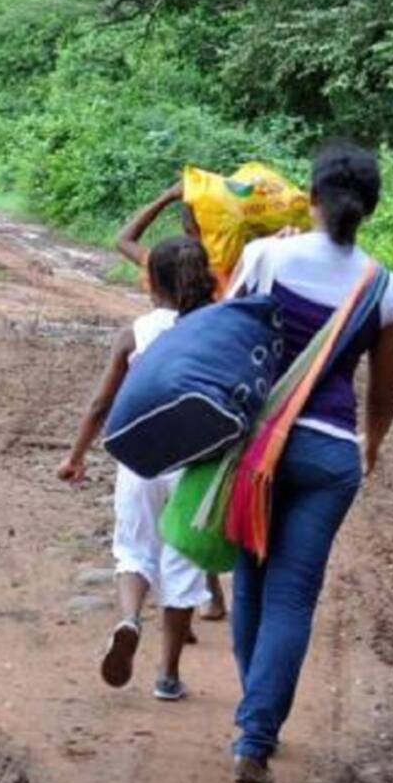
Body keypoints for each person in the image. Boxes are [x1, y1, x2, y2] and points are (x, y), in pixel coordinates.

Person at [225, 143, 393, 783]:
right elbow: (382, 397)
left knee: (250, 582)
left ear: (311, 195)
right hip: (330, 455)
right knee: (294, 597)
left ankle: (257, 724)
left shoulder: (268, 256)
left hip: (259, 448)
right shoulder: (385, 290)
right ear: (369, 210)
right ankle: (255, 734)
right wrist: (373, 444)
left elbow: (225, 334)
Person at [58, 236, 217, 701]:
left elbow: (101, 403)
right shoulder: (215, 329)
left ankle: (129, 619)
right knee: (183, 561)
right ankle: (167, 675)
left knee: (134, 549)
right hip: (196, 463)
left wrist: (76, 455)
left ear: (153, 282)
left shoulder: (135, 333)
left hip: (141, 457)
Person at [116, 186, 228, 625]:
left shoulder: (161, 265)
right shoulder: (220, 278)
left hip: (152, 415)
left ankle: (175, 606)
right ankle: (202, 601)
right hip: (201, 418)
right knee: (189, 507)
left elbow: (123, 239)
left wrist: (163, 196)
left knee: (149, 523)